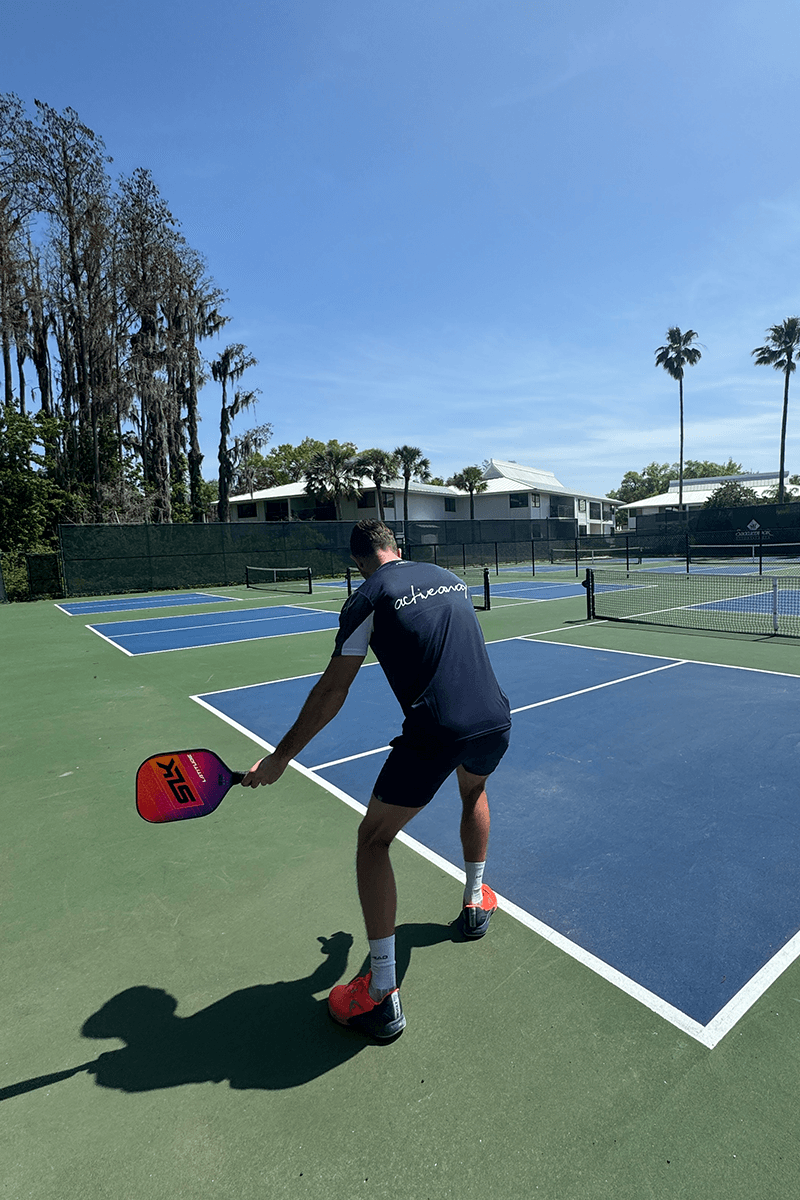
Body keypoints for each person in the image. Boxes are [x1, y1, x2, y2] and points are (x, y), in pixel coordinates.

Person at [242, 519, 511, 1038]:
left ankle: (381, 992)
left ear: (359, 563)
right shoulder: (445, 575)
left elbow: (331, 692)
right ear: (397, 548)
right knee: (473, 788)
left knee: (373, 840)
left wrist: (279, 758)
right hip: (495, 718)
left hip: (438, 729)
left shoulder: (365, 597)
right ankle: (475, 902)